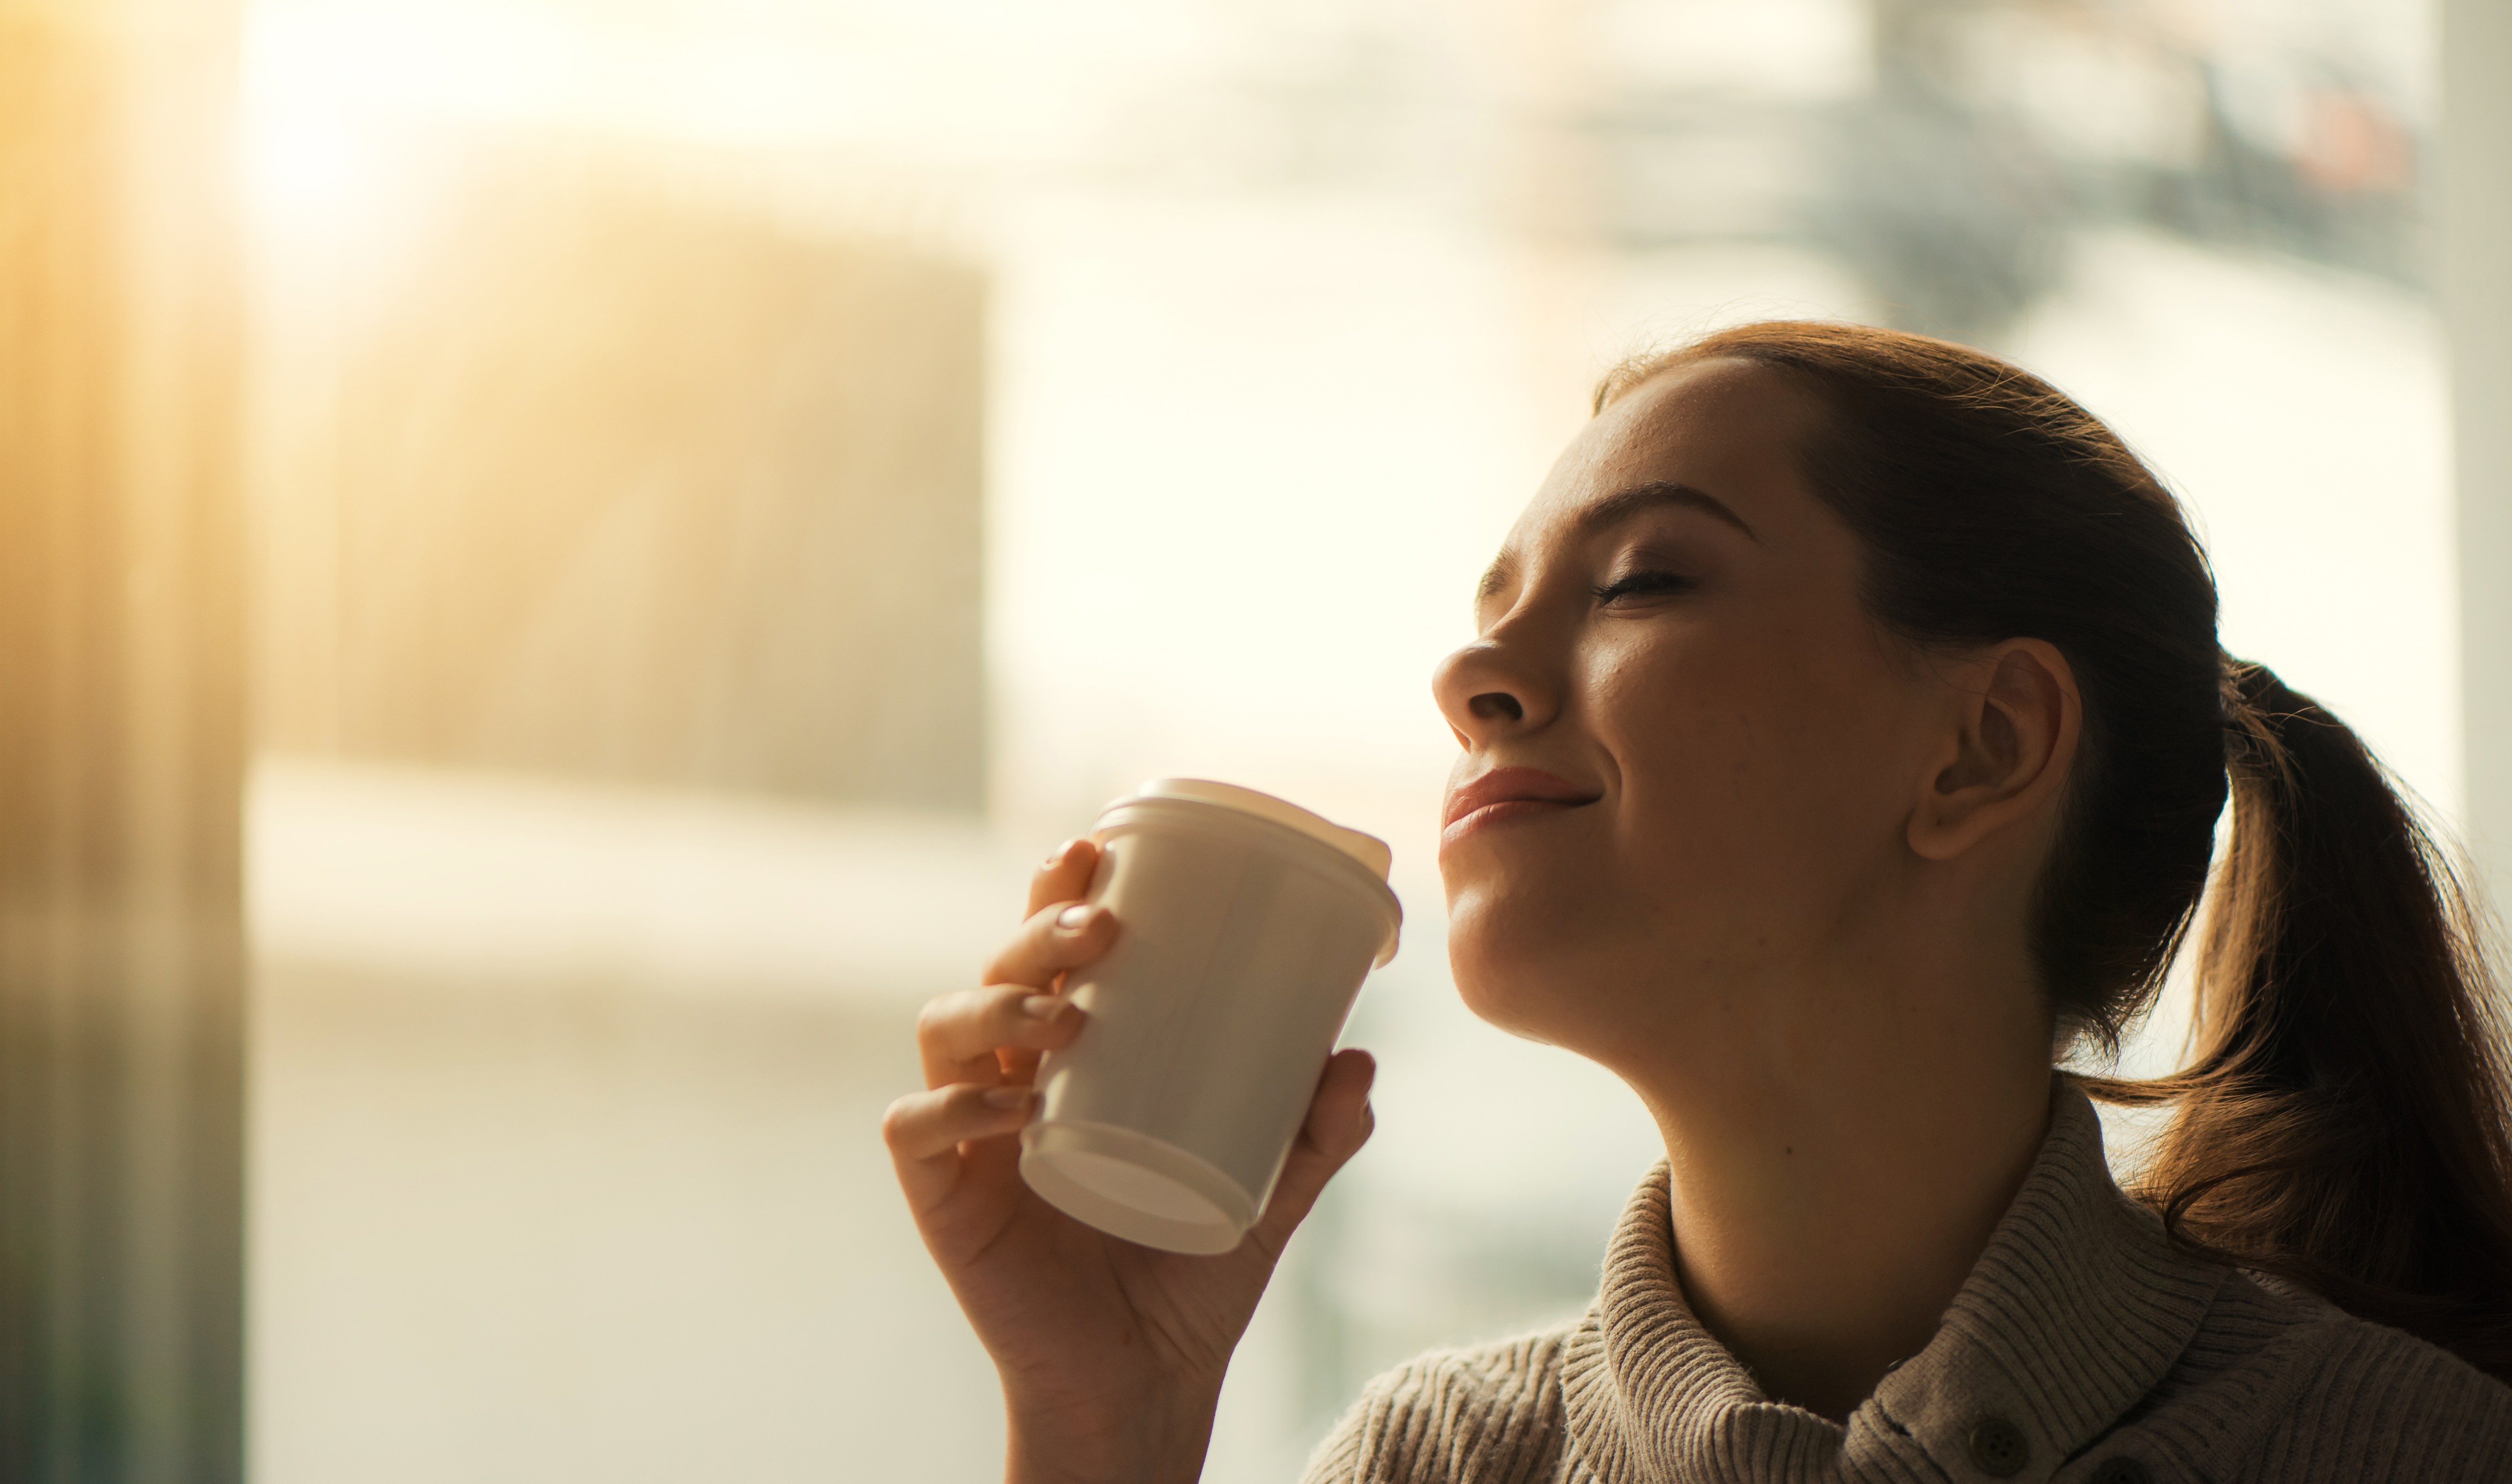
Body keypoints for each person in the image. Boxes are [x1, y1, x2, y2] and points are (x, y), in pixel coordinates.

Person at [882, 321, 2512, 1482]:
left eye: (1644, 578)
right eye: (1492, 609)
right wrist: (1103, 1423)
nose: (1465, 676)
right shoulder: (1436, 1465)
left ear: (1985, 746)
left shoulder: (2408, 1457)